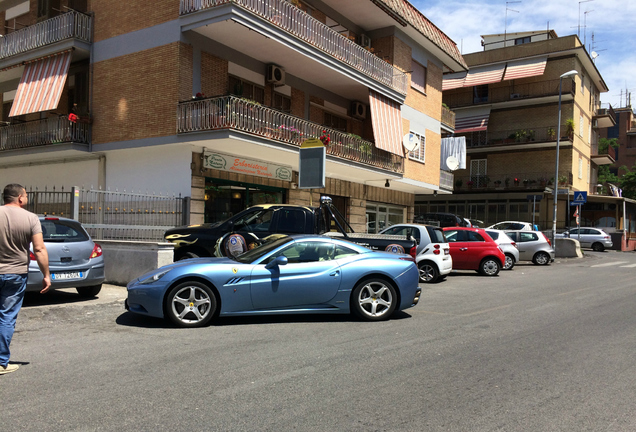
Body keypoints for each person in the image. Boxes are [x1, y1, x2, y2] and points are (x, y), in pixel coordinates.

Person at [0, 184, 51, 375]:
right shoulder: (30, 218)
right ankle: (1, 361)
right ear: (20, 198)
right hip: (16, 274)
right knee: (6, 317)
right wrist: (46, 275)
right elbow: (39, 249)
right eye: (26, 196)